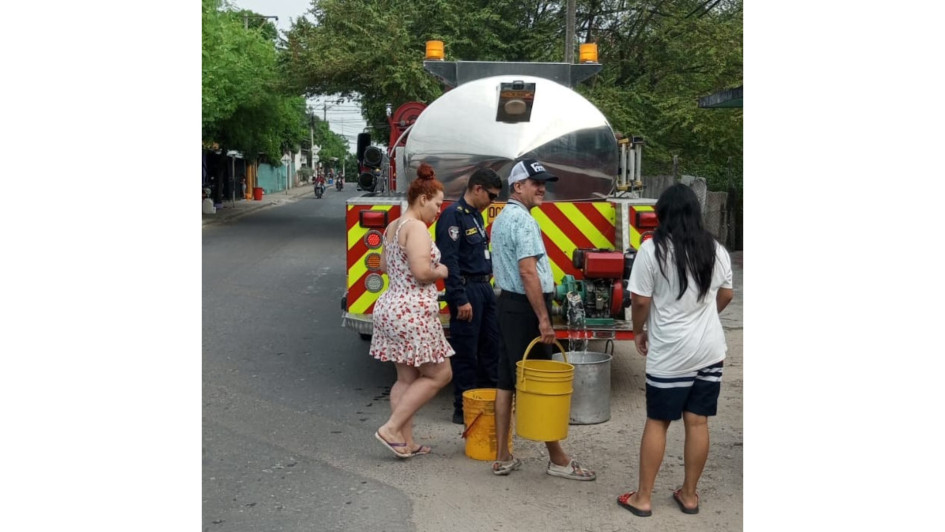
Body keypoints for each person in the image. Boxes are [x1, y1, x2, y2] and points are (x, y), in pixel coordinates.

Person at [616, 183, 734, 517]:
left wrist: (639, 331)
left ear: (662, 215)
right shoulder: (717, 250)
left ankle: (643, 498)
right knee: (698, 422)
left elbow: (639, 300)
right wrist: (707, 316)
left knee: (658, 421)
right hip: (710, 350)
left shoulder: (652, 251)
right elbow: (726, 294)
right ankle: (690, 495)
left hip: (670, 353)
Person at [489, 158, 596, 481]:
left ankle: (503, 456)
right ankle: (557, 458)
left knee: (506, 379)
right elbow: (527, 271)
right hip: (525, 309)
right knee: (542, 383)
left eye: (544, 183)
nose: (542, 188)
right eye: (536, 183)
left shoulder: (503, 217)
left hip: (508, 305)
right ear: (517, 186)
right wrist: (544, 320)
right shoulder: (523, 221)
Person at [370, 163, 454, 458]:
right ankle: (391, 428)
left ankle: (405, 443)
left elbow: (382, 266)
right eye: (437, 204)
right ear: (422, 200)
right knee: (439, 375)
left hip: (391, 307)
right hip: (413, 311)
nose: (438, 211)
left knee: (406, 379)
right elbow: (421, 272)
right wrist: (440, 270)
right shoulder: (417, 227)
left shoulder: (394, 225)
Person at [434, 167, 503, 424]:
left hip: (484, 288)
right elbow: (449, 261)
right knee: (466, 352)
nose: (493, 202)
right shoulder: (453, 216)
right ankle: (463, 408)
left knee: (490, 347)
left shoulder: (474, 215)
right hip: (467, 291)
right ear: (477, 189)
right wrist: (459, 298)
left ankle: (489, 400)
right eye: (492, 196)